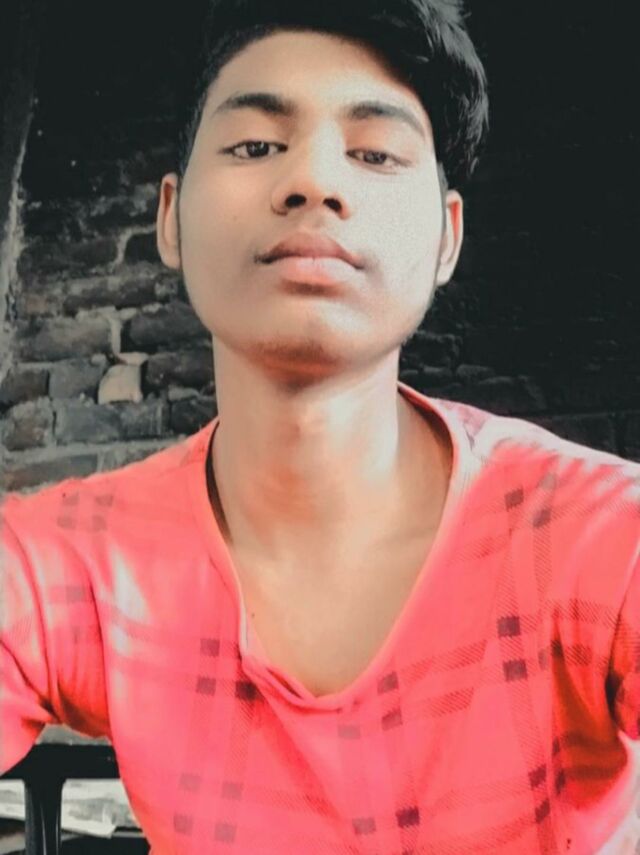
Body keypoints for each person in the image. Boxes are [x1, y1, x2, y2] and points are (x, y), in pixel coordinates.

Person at [1, 1, 639, 852]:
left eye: (375, 153)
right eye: (255, 146)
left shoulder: (598, 534)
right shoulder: (67, 562)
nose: (313, 182)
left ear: (447, 239)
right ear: (171, 217)